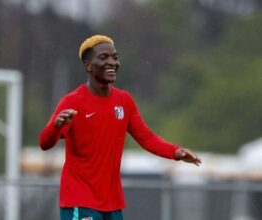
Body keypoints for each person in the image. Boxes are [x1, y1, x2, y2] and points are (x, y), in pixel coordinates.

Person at [39, 34, 202, 220]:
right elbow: (44, 142)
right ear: (88, 66)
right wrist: (56, 126)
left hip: (112, 204)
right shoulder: (72, 102)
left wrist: (176, 152)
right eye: (103, 57)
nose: (112, 62)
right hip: (80, 200)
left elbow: (146, 137)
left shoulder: (124, 100)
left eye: (115, 57)